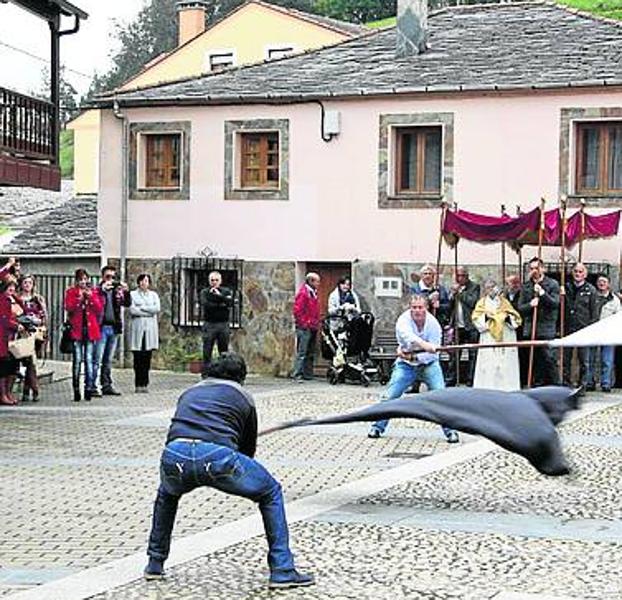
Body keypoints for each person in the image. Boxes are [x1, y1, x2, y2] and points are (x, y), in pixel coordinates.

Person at [144, 352, 314, 589]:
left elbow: (178, 428)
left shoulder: (189, 393)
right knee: (271, 491)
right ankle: (283, 570)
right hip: (217, 457)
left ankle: (155, 563)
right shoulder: (244, 397)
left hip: (175, 453)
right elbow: (246, 451)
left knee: (167, 495)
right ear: (241, 377)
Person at [367, 295, 459, 443]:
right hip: (406, 365)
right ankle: (377, 427)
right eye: (414, 307)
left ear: (426, 308)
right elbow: (408, 336)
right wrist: (424, 346)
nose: (417, 310)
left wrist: (422, 354)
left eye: (420, 307)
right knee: (391, 395)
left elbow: (432, 354)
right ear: (410, 308)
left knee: (441, 397)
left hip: (429, 365)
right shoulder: (403, 321)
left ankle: (450, 431)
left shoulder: (434, 324)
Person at [472, 279, 522, 390]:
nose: (491, 289)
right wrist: (488, 317)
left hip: (505, 336)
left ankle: (508, 387)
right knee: (489, 364)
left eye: (493, 286)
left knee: (506, 365)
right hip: (489, 337)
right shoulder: (481, 303)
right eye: (488, 287)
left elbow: (515, 318)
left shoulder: (504, 302)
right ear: (485, 290)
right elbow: (476, 320)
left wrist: (506, 317)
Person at [518, 257, 560, 386]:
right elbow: (520, 308)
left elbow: (555, 303)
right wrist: (530, 305)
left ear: (543, 268)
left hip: (546, 327)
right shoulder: (526, 286)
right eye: (531, 269)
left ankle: (556, 385)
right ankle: (537, 384)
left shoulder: (552, 284)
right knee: (534, 359)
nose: (534, 271)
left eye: (536, 268)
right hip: (531, 327)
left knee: (549, 358)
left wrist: (542, 293)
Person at [64, 269, 104, 402]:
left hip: (90, 330)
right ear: (76, 280)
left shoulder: (93, 292)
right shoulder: (71, 292)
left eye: (85, 279)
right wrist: (78, 299)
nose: (83, 282)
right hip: (77, 331)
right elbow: (69, 308)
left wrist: (90, 297)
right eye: (80, 279)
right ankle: (76, 389)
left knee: (88, 360)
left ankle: (88, 388)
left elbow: (99, 309)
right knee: (77, 361)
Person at [93, 265, 131, 396]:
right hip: (101, 327)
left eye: (113, 277)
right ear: (102, 277)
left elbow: (127, 303)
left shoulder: (117, 291)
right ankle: (92, 386)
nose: (111, 280)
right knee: (97, 358)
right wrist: (103, 291)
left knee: (108, 359)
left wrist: (126, 291)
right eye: (108, 277)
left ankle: (106, 385)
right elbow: (94, 304)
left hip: (113, 327)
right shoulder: (97, 290)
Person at [562, 262, 598, 392]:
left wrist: (592, 329)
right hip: (568, 327)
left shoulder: (591, 290)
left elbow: (594, 312)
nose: (578, 274)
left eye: (580, 272)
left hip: (584, 329)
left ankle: (582, 385)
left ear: (585, 274)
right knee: (566, 359)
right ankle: (566, 384)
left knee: (584, 360)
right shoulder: (566, 288)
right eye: (576, 271)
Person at [447, 266, 480, 386]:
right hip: (457, 325)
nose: (459, 278)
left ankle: (471, 380)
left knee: (472, 354)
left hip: (470, 326)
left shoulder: (474, 287)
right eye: (458, 276)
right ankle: (451, 380)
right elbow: (449, 306)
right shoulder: (453, 287)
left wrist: (459, 293)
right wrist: (452, 295)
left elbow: (473, 302)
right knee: (454, 354)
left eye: (462, 276)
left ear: (466, 276)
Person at [17, 275, 47, 402]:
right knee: (26, 362)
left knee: (31, 362)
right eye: (25, 282)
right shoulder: (17, 298)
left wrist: (41, 324)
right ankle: (33, 389)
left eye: (30, 282)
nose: (27, 285)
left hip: (35, 333)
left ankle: (29, 390)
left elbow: (44, 316)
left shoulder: (38, 299)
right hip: (20, 333)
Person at [129, 274, 161, 393]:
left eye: (146, 281)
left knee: (147, 357)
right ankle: (138, 383)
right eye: (142, 281)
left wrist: (141, 308)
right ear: (138, 282)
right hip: (138, 329)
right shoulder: (133, 294)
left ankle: (145, 383)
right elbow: (132, 310)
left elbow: (157, 309)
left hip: (149, 330)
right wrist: (148, 309)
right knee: (138, 357)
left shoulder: (154, 295)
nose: (144, 283)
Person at [590, 274, 620, 392]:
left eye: (604, 282)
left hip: (608, 332)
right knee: (590, 359)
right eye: (600, 281)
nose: (602, 284)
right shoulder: (593, 296)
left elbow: (618, 316)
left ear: (609, 284)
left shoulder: (614, 300)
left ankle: (606, 383)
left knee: (607, 360)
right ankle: (589, 382)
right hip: (593, 330)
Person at [200, 271, 233, 377]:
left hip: (223, 324)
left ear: (220, 281)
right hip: (209, 324)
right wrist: (222, 302)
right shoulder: (205, 292)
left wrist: (219, 296)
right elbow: (206, 304)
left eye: (216, 280)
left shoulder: (226, 291)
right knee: (207, 350)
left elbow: (230, 303)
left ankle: (224, 373)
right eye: (212, 280)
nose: (214, 282)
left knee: (223, 350)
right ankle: (206, 374)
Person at [292, 272, 320, 382]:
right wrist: (305, 323)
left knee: (310, 352)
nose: (318, 283)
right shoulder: (304, 293)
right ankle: (297, 374)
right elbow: (297, 311)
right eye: (317, 281)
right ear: (311, 281)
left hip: (313, 326)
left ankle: (308, 374)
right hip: (305, 327)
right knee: (302, 352)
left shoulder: (313, 292)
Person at [504, 274, 528, 386]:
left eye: (510, 283)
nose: (508, 286)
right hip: (509, 329)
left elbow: (520, 308)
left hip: (520, 328)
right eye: (507, 283)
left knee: (522, 355)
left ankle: (523, 379)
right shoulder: (505, 295)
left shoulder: (522, 294)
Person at [0, 279, 21, 405]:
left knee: (12, 367)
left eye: (13, 290)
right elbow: (3, 320)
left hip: (12, 338)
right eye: (9, 290)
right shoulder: (3, 300)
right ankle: (3, 394)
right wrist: (15, 325)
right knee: (3, 367)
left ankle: (8, 393)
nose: (11, 292)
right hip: (3, 337)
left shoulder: (12, 300)